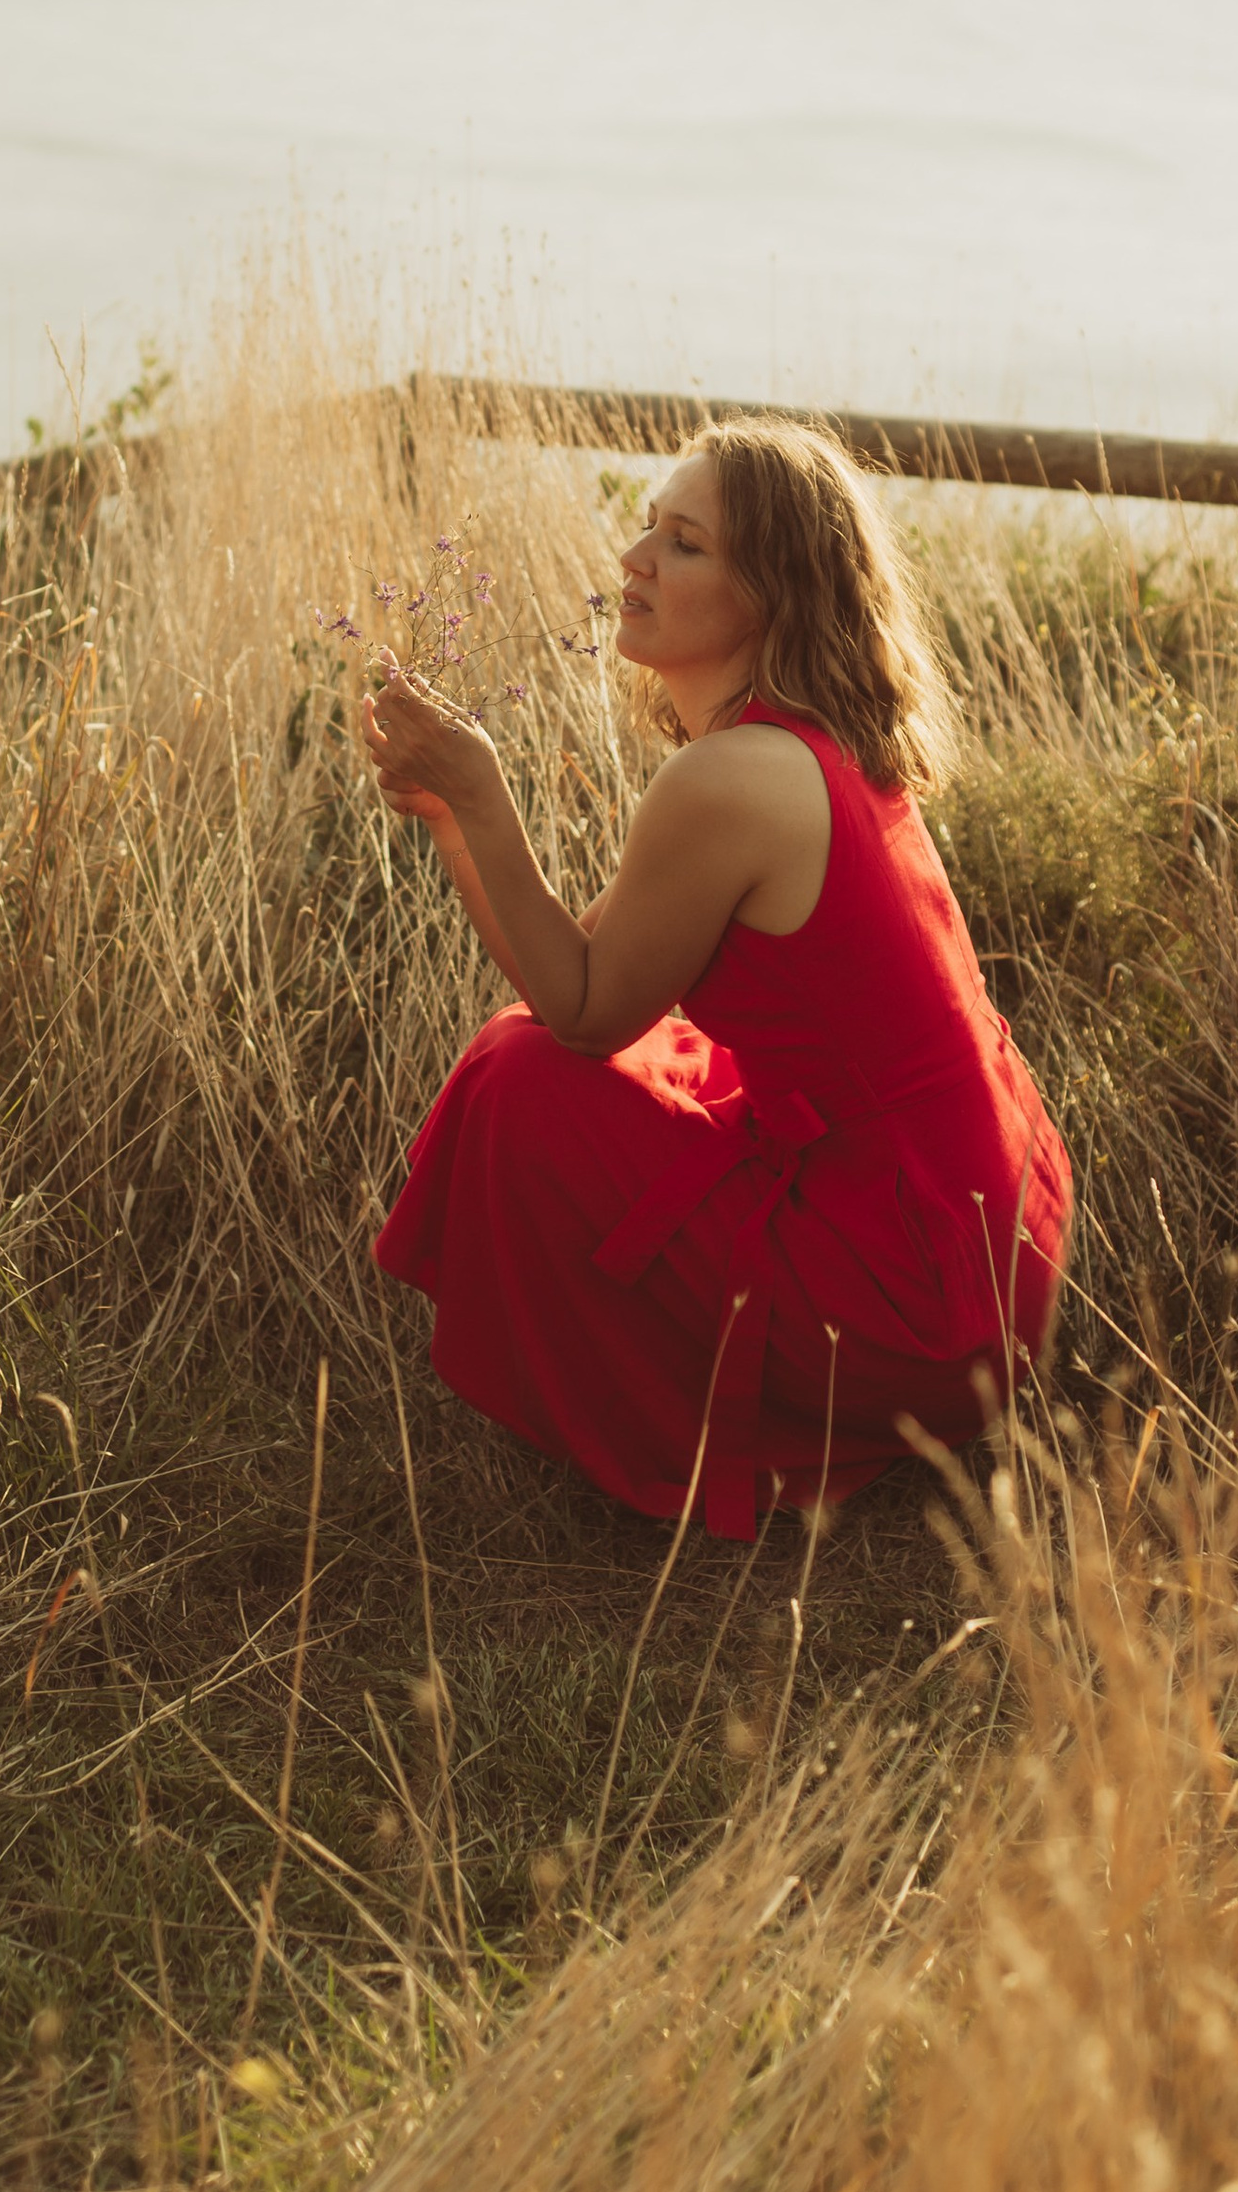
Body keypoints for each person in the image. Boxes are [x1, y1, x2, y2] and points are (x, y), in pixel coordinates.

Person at [363, 417, 1071, 1541]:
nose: (636, 558)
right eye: (649, 527)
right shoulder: (805, 742)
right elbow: (583, 970)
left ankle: (679, 1421)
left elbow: (582, 1015)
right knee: (579, 1054)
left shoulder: (738, 775)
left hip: (914, 1290)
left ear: (771, 594)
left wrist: (489, 796)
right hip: (988, 1243)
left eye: (684, 543)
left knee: (519, 1077)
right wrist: (460, 822)